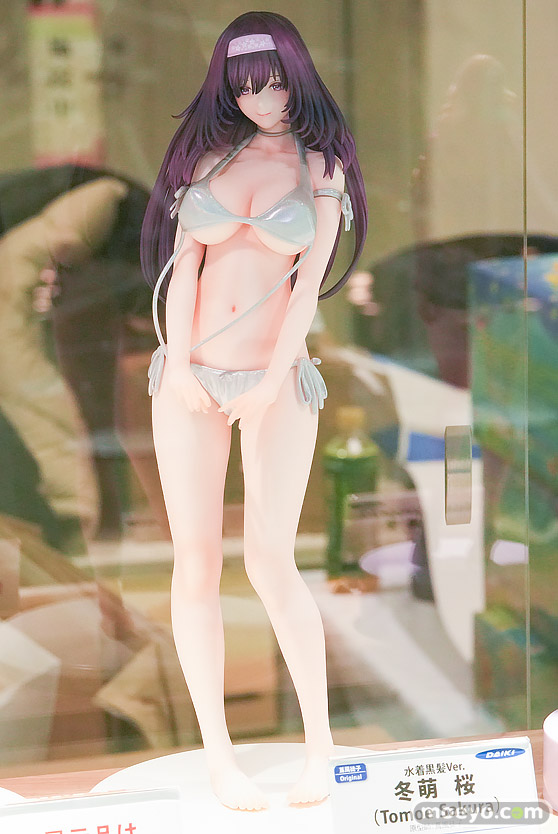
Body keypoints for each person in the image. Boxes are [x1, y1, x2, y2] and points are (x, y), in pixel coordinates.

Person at [140, 10, 367, 810]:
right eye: (244, 89)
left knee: (271, 561)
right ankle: (219, 756)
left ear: (297, 78)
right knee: (195, 562)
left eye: (273, 86)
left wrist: (272, 381)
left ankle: (320, 745)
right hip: (190, 378)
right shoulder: (208, 158)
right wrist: (178, 362)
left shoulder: (321, 167)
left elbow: (307, 287)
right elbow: (185, 270)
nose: (261, 101)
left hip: (278, 380)